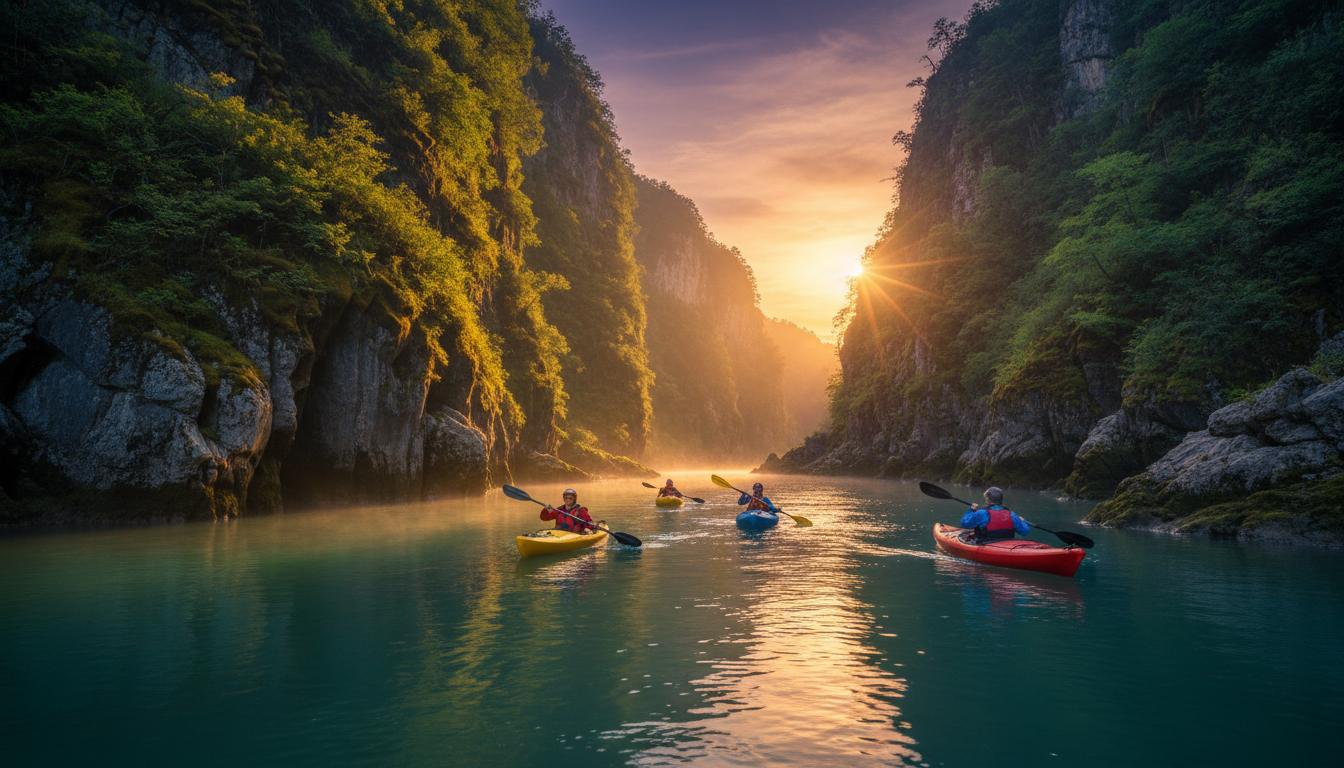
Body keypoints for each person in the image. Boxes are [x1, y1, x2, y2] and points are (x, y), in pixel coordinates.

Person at [960, 486, 1030, 541]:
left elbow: (964, 524)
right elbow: (1025, 531)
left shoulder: (981, 513)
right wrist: (1022, 521)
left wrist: (971, 510)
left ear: (987, 499)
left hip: (985, 544)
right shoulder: (1012, 514)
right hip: (1007, 544)